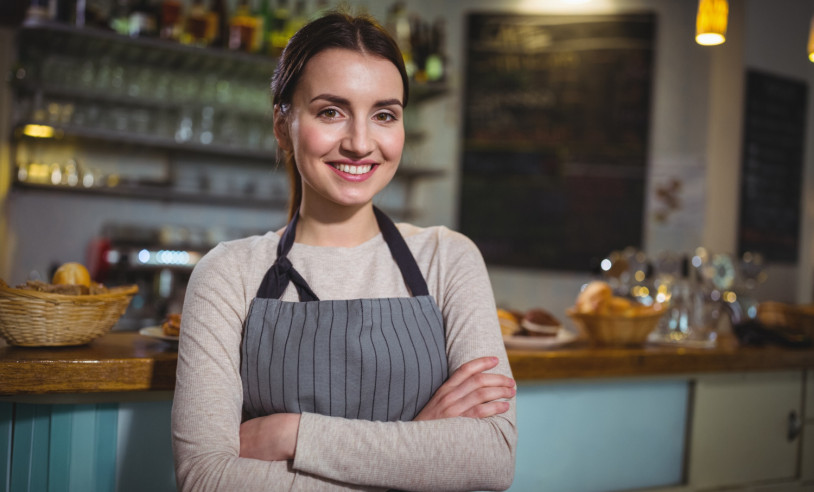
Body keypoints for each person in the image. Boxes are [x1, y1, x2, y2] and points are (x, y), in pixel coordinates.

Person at [171, 9, 517, 491]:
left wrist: (293, 435)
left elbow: (491, 459)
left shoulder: (448, 258)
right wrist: (419, 448)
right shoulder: (228, 273)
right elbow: (206, 480)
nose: (359, 143)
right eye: (330, 111)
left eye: (384, 115)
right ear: (282, 125)